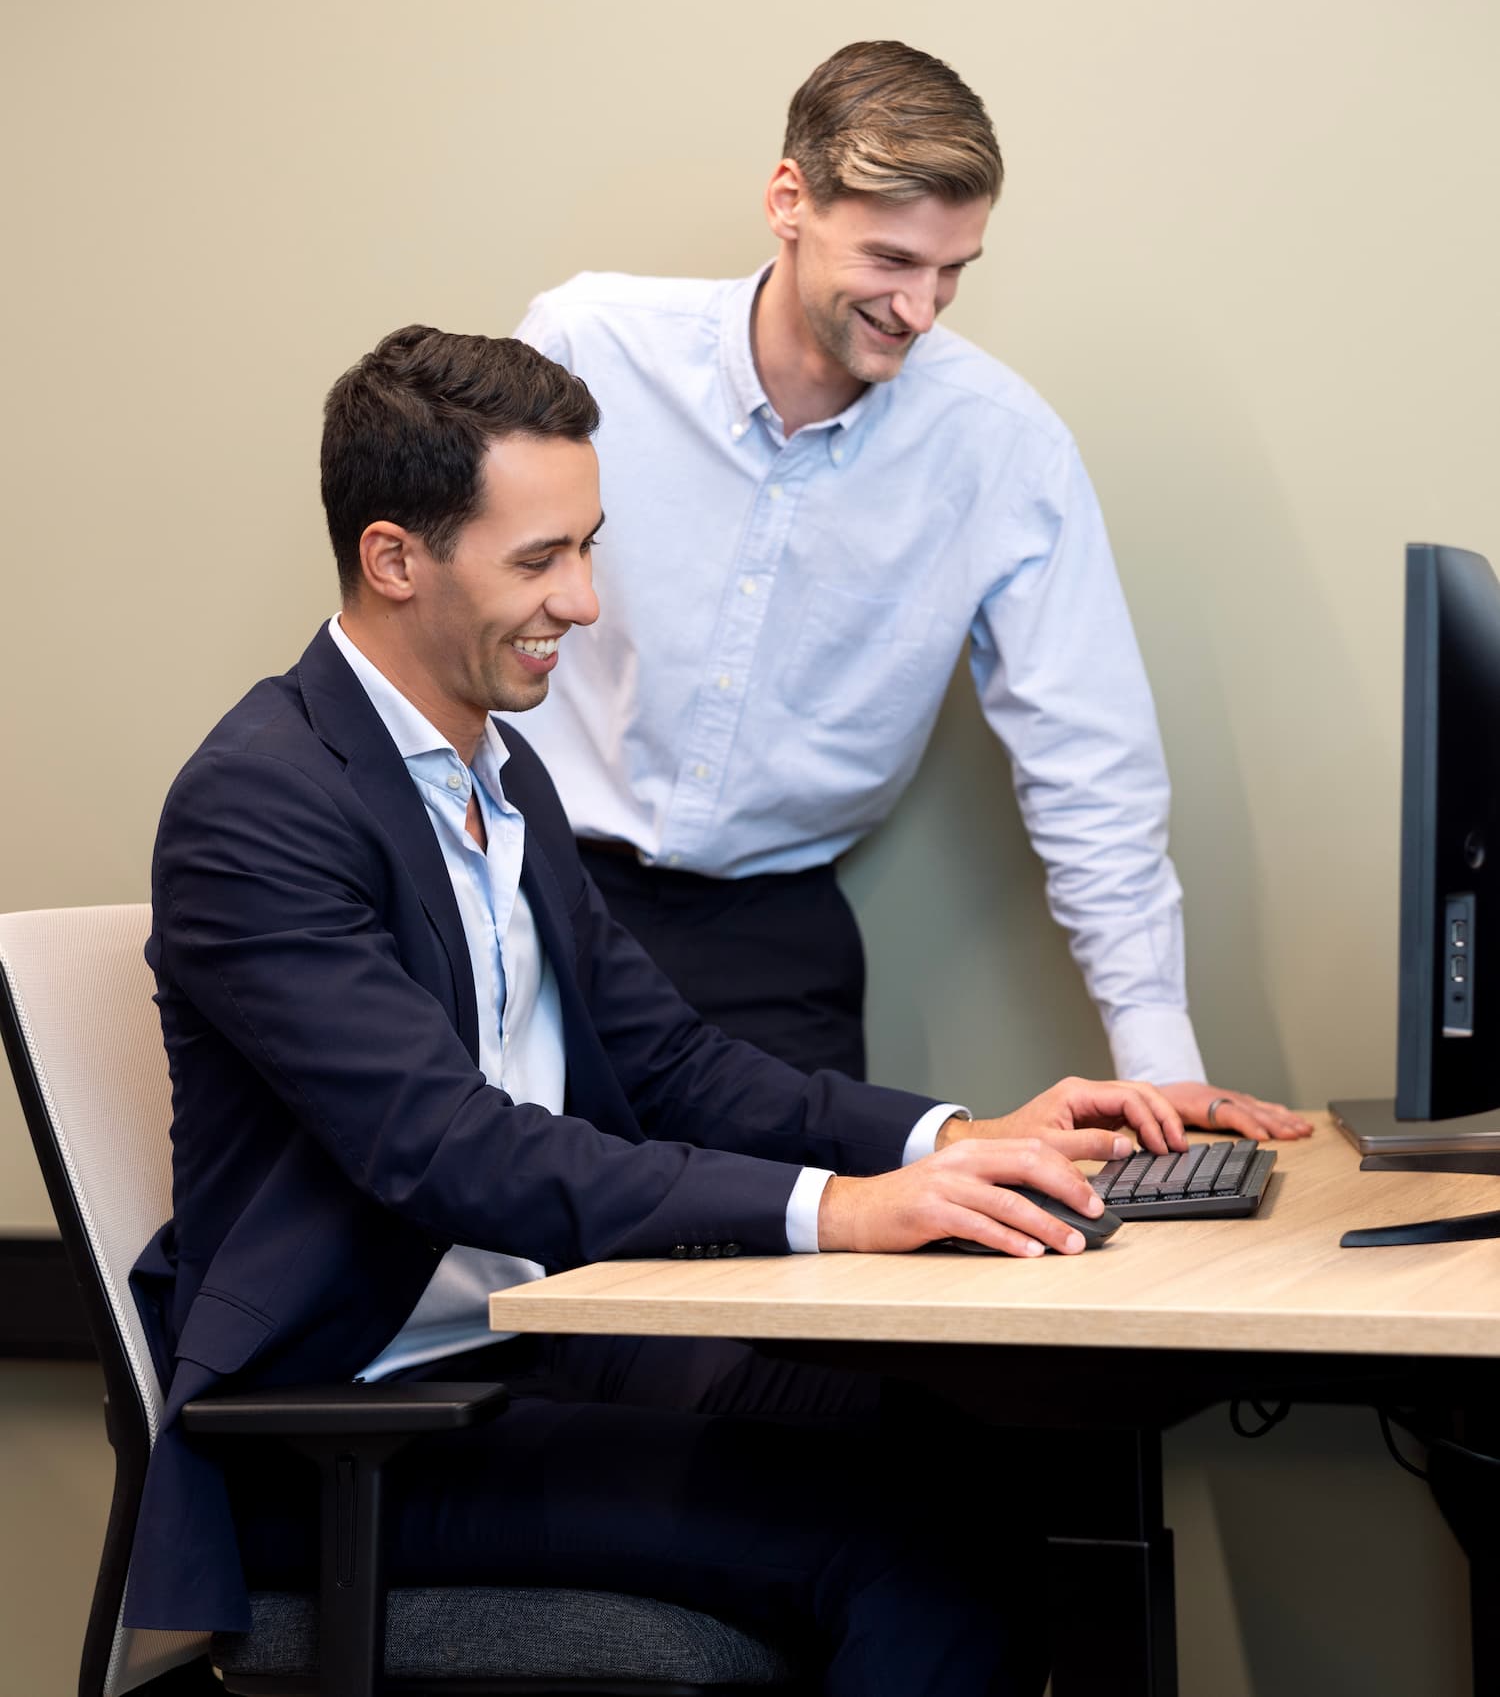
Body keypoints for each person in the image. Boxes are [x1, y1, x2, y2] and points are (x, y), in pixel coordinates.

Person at [126, 324, 1191, 1694]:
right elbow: (454, 1146)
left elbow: (671, 1058)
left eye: (589, 546)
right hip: (360, 1426)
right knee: (909, 1551)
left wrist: (949, 1138)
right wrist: (839, 1207)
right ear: (395, 557)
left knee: (977, 1438)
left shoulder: (502, 775)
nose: (584, 600)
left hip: (540, 1347)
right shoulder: (260, 800)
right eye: (539, 559)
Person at [514, 39, 1308, 1143]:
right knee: (518, 1265)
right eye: (891, 260)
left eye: (954, 271)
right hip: (530, 890)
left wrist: (1159, 1054)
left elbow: (1087, 757)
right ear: (789, 199)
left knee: (795, 1298)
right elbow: (452, 602)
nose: (923, 309)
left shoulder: (1003, 448)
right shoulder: (589, 346)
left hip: (771, 943)